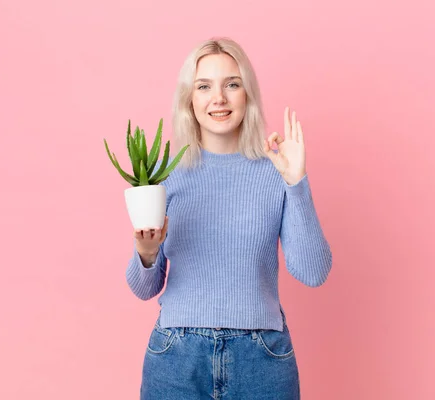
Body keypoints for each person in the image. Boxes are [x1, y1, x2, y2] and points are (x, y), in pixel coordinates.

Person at [125, 37, 332, 400]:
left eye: (231, 84)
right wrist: (146, 253)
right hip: (176, 357)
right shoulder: (164, 173)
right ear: (189, 99)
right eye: (204, 86)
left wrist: (296, 181)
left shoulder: (275, 170)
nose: (218, 98)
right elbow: (144, 288)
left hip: (262, 358)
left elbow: (313, 272)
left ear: (247, 94)